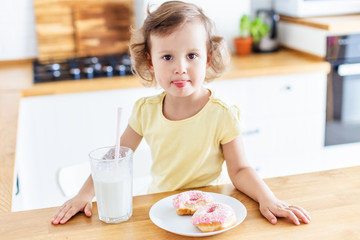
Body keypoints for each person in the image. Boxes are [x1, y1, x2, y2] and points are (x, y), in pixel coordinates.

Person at [51, 1, 311, 226]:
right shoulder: (145, 111)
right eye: (167, 57)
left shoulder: (222, 114)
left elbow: (241, 169)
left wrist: (269, 199)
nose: (180, 68)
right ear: (150, 62)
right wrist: (84, 194)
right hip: (161, 209)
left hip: (213, 208)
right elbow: (116, 157)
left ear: (207, 59)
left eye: (191, 55)